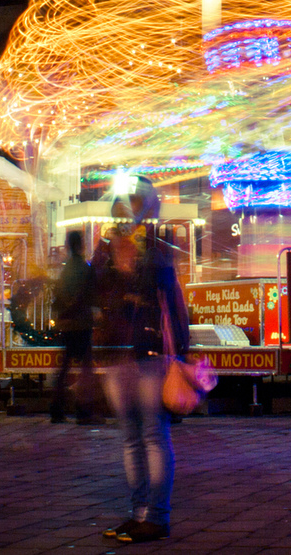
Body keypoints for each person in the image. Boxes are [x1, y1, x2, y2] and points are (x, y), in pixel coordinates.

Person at [97, 176, 189, 545]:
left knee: (152, 435)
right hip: (118, 354)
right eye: (122, 205)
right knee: (131, 439)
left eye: (133, 204)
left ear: (146, 207)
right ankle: (138, 514)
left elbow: (169, 298)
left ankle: (157, 517)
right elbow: (96, 290)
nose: (126, 213)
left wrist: (180, 354)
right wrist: (106, 253)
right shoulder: (105, 248)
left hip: (150, 354)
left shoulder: (156, 247)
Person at [51, 230, 100, 424]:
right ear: (81, 245)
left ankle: (56, 409)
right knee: (86, 368)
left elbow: (58, 296)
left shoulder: (66, 270)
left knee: (64, 366)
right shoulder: (84, 268)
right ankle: (83, 411)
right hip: (81, 323)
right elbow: (91, 294)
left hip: (68, 324)